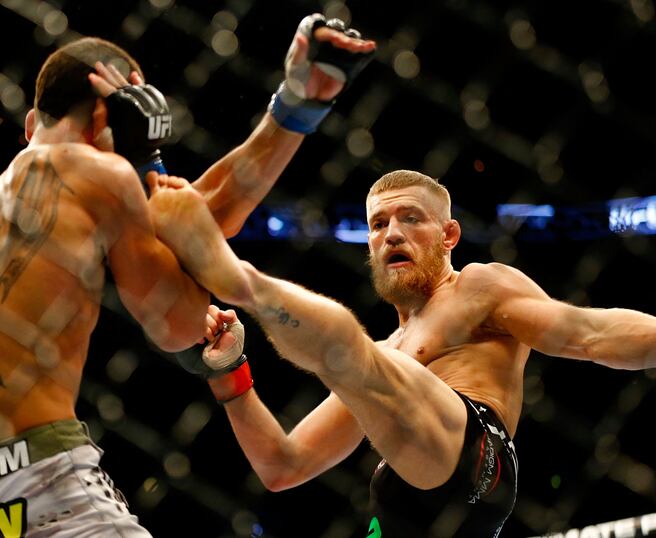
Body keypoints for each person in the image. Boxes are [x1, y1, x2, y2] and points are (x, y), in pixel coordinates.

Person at [0, 18, 375, 537]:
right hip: (55, 493)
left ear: (32, 123)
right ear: (106, 114)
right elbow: (179, 323)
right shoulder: (106, 176)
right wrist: (140, 160)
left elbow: (190, 220)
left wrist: (292, 110)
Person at [148, 169, 656, 537]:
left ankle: (235, 275)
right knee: (356, 356)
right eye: (378, 224)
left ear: (449, 235)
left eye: (411, 218)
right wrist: (229, 373)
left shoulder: (478, 288)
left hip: (475, 453)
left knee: (349, 350)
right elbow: (284, 464)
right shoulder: (383, 358)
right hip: (398, 509)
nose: (392, 232)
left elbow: (593, 333)